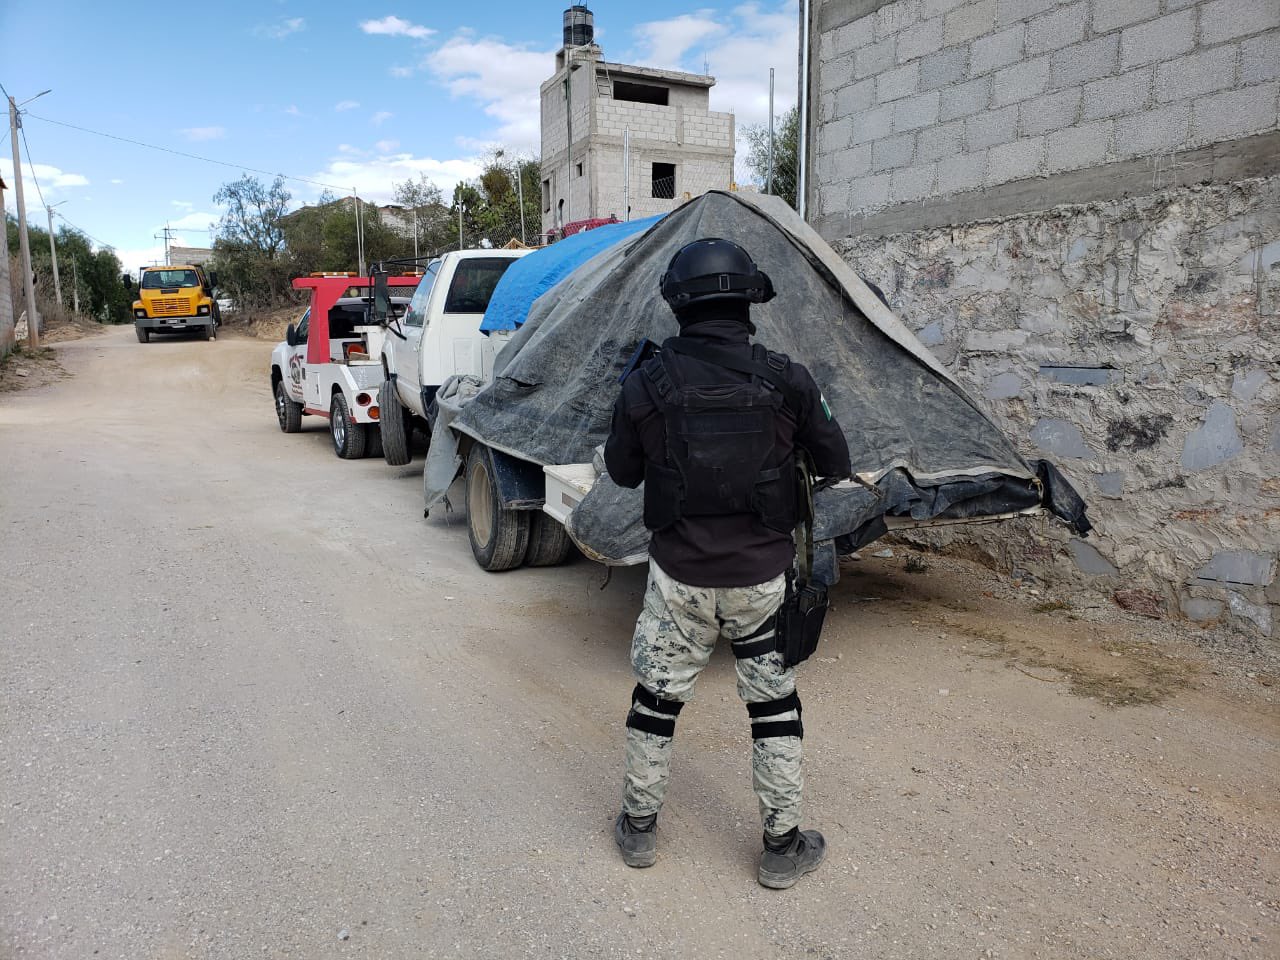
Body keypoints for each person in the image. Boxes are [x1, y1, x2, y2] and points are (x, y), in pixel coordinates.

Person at [603, 237, 852, 889]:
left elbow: (624, 474)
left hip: (677, 581)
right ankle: (781, 847)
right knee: (773, 709)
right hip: (762, 580)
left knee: (656, 701)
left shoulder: (646, 384)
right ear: (750, 301)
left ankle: (638, 830)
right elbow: (837, 462)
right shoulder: (787, 378)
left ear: (678, 305)